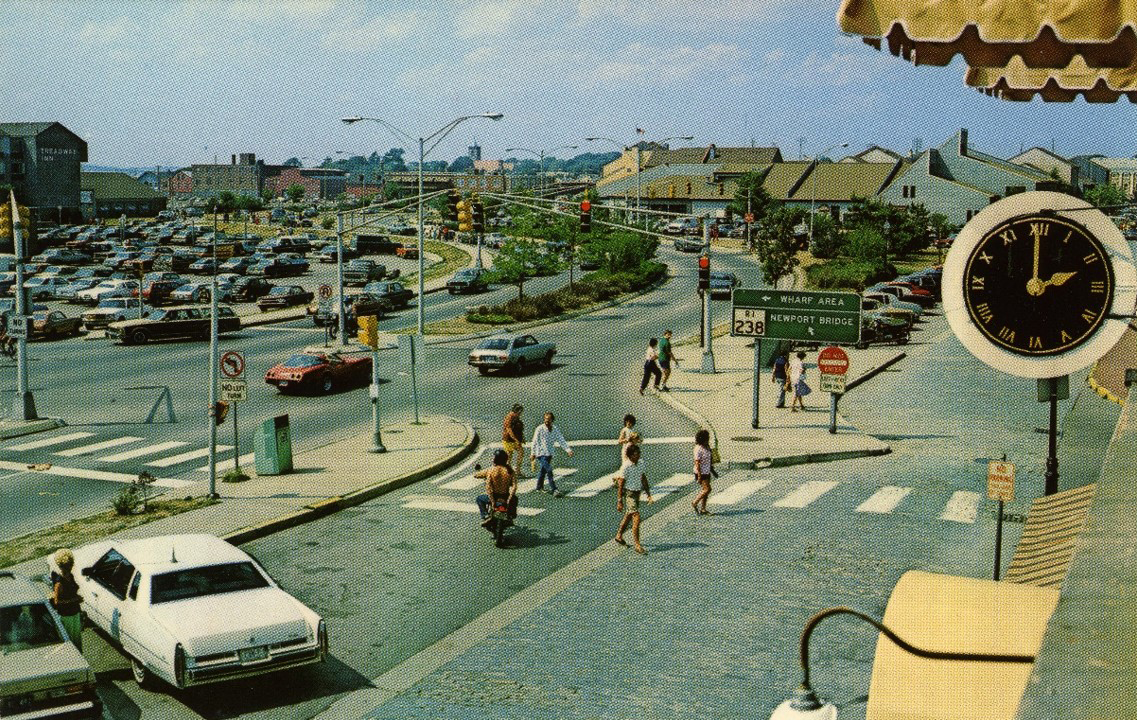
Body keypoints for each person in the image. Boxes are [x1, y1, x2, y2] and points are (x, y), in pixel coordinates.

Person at [615, 444, 651, 554]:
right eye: (636, 454)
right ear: (630, 456)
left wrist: (648, 493)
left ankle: (619, 535)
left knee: (628, 515)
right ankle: (637, 544)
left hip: (637, 492)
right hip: (629, 494)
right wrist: (620, 500)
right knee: (636, 516)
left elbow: (643, 478)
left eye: (639, 454)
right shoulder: (626, 466)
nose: (638, 456)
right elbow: (621, 484)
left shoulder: (641, 463)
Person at [529, 412, 573, 496]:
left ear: (552, 420)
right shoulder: (539, 429)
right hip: (540, 453)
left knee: (543, 470)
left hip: (549, 453)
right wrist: (533, 453)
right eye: (545, 419)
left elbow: (561, 439)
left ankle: (539, 487)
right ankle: (554, 489)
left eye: (548, 419)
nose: (546, 421)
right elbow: (534, 441)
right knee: (549, 470)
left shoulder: (555, 429)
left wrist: (568, 450)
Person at [474, 449, 518, 526]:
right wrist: (509, 499)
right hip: (505, 497)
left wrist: (493, 501)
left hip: (494, 497)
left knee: (479, 499)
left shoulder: (491, 470)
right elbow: (514, 486)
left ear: (496, 459)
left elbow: (488, 488)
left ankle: (485, 515)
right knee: (515, 499)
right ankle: (510, 515)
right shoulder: (510, 471)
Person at [50, 548, 83, 651]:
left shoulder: (70, 576)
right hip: (66, 615)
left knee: (77, 640)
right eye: (68, 565)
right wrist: (74, 600)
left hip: (75, 612)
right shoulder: (59, 583)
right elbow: (56, 601)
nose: (70, 567)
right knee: (70, 642)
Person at [692, 428, 717, 515]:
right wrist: (699, 476)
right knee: (707, 489)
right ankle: (695, 502)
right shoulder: (698, 448)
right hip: (701, 472)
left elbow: (710, 458)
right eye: (707, 438)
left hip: (707, 471)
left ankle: (703, 509)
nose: (708, 439)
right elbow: (697, 463)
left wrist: (712, 470)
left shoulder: (707, 446)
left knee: (705, 491)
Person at [502, 404, 526, 477]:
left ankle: (516, 470)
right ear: (518, 411)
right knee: (509, 456)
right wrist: (516, 440)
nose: (521, 413)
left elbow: (519, 429)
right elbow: (509, 430)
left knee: (520, 452)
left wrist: (522, 438)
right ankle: (508, 472)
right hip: (509, 440)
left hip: (515, 439)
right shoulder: (510, 417)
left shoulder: (516, 416)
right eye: (520, 411)